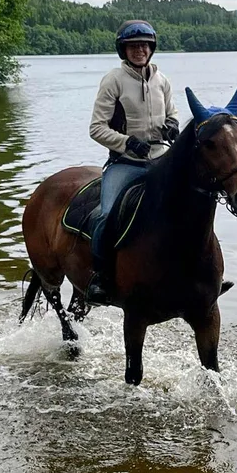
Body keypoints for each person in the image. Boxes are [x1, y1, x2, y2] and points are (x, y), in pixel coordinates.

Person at [86, 20, 180, 304]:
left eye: (144, 45)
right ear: (123, 50)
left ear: (151, 49)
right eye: (133, 46)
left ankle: (199, 273)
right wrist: (126, 142)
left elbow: (172, 113)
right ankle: (100, 278)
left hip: (159, 160)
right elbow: (96, 128)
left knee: (191, 206)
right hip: (125, 164)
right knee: (106, 213)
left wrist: (172, 126)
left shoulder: (162, 80)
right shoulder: (113, 80)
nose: (139, 50)